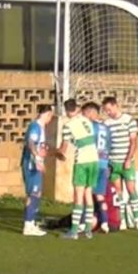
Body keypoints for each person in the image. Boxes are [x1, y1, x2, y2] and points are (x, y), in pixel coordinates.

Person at [58, 99, 100, 240]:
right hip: (94, 160)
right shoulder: (86, 120)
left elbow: (63, 149)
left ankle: (74, 231)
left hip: (82, 161)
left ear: (66, 111)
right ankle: (88, 230)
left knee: (78, 195)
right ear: (76, 108)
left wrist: (53, 152)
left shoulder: (68, 126)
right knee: (88, 194)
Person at [102, 96, 138, 231]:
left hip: (127, 162)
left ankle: (137, 219)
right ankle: (123, 220)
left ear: (115, 106)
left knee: (132, 190)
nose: (108, 113)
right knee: (118, 193)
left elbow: (133, 142)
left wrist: (128, 159)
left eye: (109, 109)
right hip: (113, 162)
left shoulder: (128, 120)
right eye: (106, 111)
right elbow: (106, 144)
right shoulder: (107, 123)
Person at [21, 104, 55, 237]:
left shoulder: (41, 127)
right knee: (33, 194)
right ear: (47, 114)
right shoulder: (35, 126)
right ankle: (28, 225)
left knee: (37, 193)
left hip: (36, 164)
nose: (51, 118)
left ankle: (31, 222)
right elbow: (30, 142)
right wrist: (36, 158)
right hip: (31, 165)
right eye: (51, 115)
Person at [83, 102, 112, 233]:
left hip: (92, 163)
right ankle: (105, 222)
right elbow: (109, 146)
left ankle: (85, 222)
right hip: (104, 164)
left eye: (84, 113)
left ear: (90, 113)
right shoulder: (106, 128)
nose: (83, 117)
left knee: (85, 192)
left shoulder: (89, 127)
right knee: (100, 195)